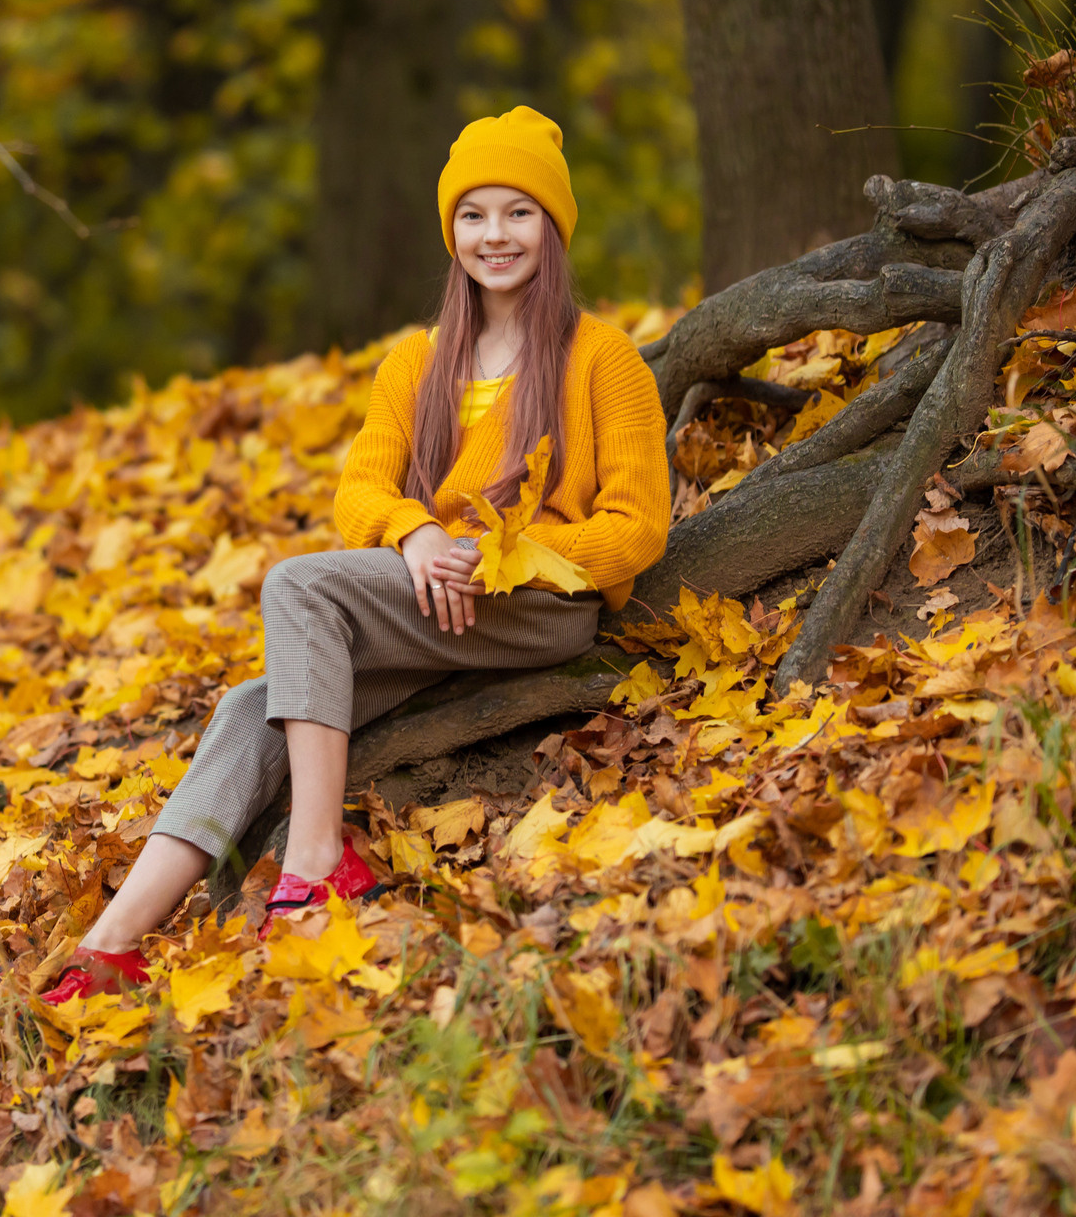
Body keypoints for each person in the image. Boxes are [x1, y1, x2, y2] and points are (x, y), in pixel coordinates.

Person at [42, 106, 671, 1002]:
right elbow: (359, 495)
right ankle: (113, 946)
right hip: (437, 599)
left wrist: (499, 558)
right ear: (451, 231)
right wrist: (417, 535)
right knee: (251, 706)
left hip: (542, 605)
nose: (495, 236)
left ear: (555, 226)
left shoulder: (600, 358)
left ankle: (314, 857)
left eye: (519, 212)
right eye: (474, 215)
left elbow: (639, 526)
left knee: (297, 587)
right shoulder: (415, 364)